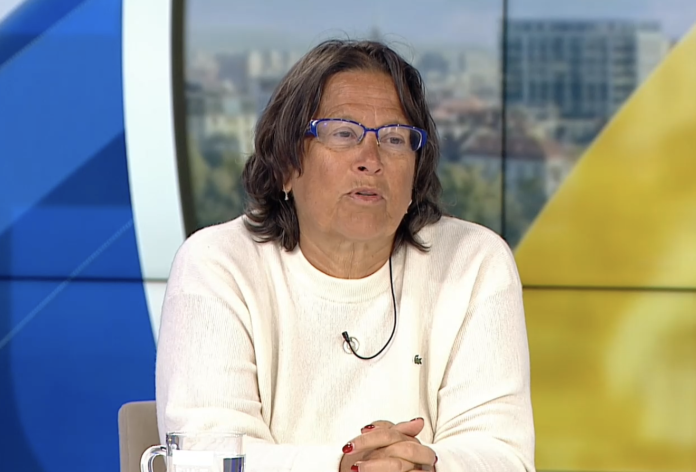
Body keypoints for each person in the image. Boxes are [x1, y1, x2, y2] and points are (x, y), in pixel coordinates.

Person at [156, 39, 535, 472]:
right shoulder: (217, 263)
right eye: (343, 134)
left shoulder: (474, 262)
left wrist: (424, 465)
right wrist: (344, 466)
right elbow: (205, 455)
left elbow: (503, 454)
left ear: (416, 173)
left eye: (394, 138)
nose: (370, 160)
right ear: (286, 165)